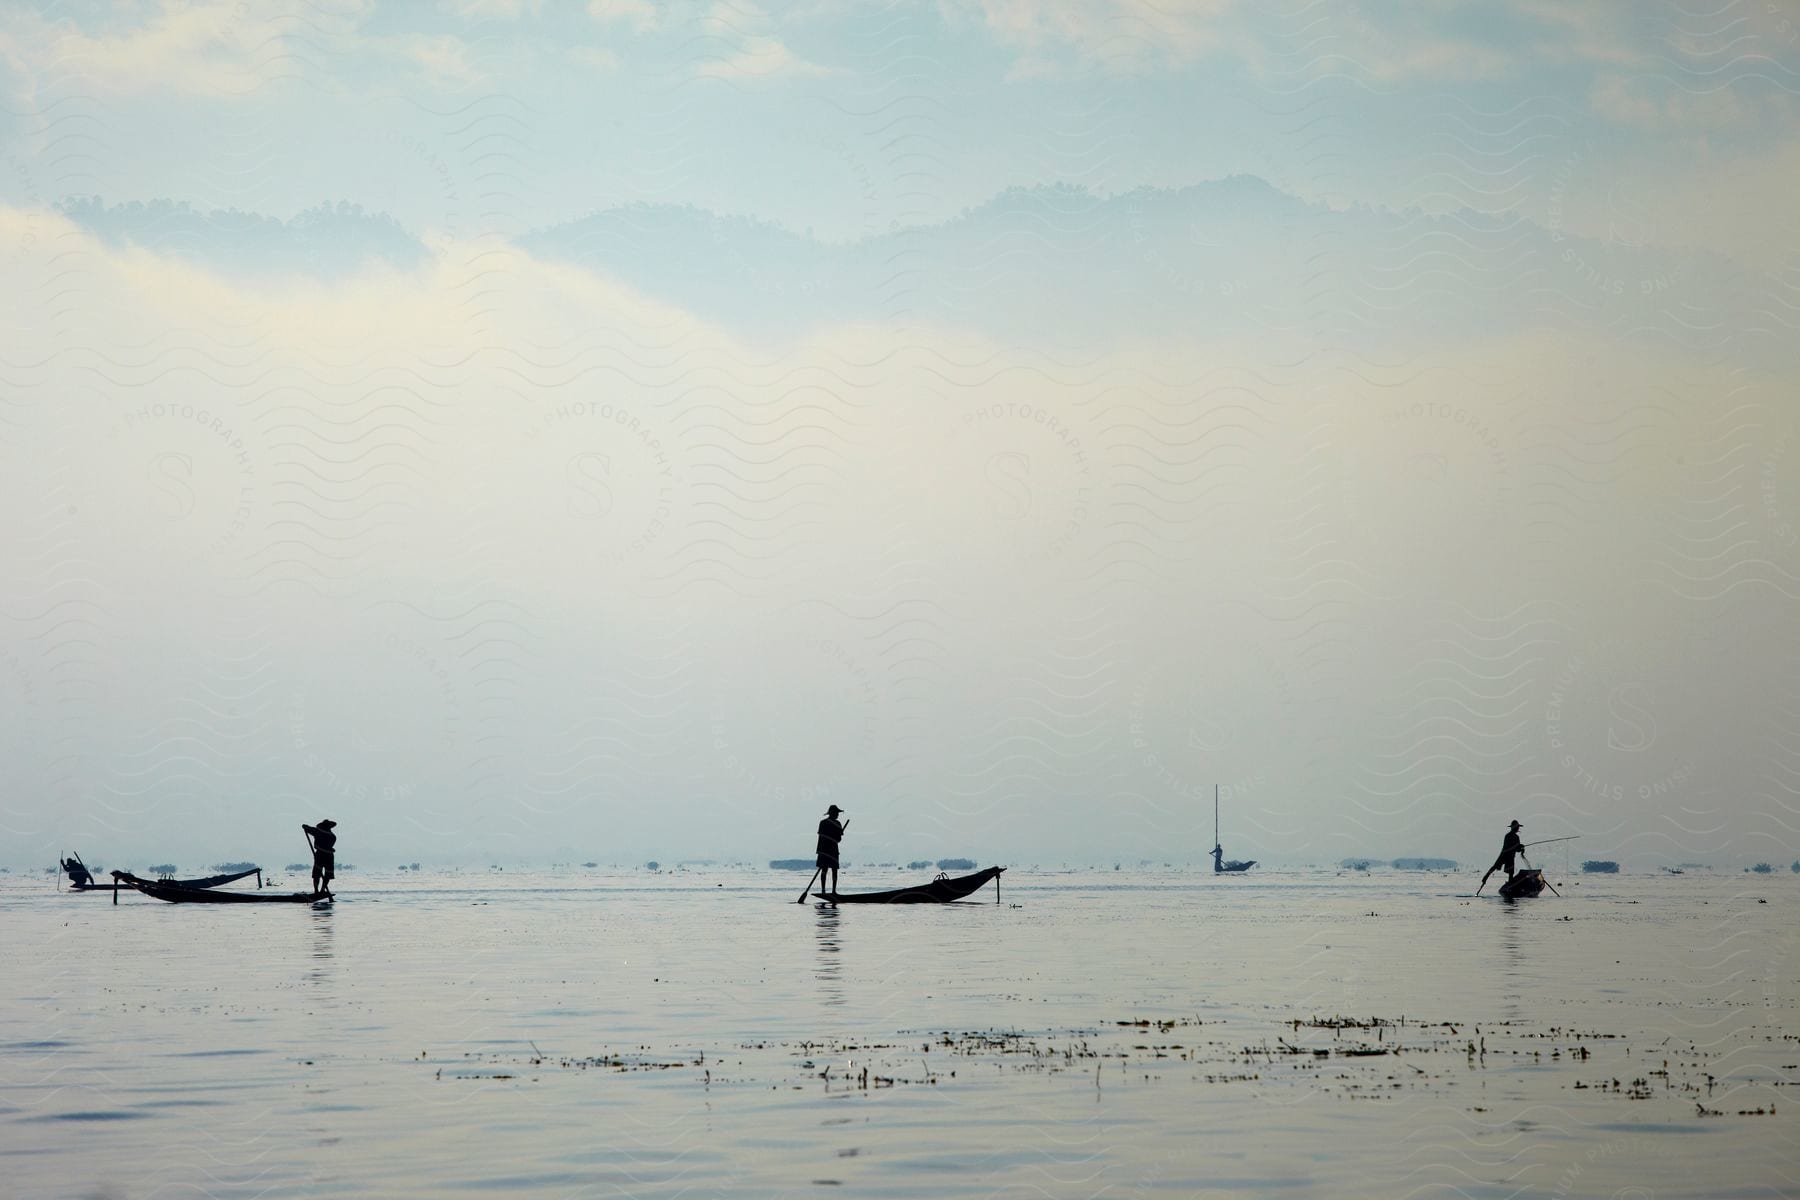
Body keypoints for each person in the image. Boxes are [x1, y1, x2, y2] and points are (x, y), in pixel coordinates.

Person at [1479, 820, 1525, 891]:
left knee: (1508, 871)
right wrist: (1518, 847)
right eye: (1517, 827)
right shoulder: (1510, 836)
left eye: (1518, 827)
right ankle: (1485, 878)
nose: (1518, 828)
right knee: (1506, 871)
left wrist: (1521, 847)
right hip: (1506, 855)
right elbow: (1511, 847)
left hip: (1508, 855)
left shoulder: (1514, 837)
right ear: (1514, 828)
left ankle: (1509, 884)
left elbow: (1517, 849)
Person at [815, 804, 846, 895]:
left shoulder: (832, 823)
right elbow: (824, 837)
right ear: (832, 813)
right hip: (827, 850)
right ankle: (827, 891)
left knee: (832, 870)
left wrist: (838, 835)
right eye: (836, 813)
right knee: (828, 870)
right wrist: (837, 835)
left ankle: (830, 891)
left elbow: (838, 839)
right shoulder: (826, 823)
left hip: (828, 850)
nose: (838, 815)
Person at [303, 819, 337, 896]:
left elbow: (308, 828)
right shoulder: (333, 836)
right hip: (329, 855)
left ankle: (317, 891)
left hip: (321, 854)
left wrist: (305, 827)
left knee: (317, 873)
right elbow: (309, 828)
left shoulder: (318, 832)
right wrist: (306, 827)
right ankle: (322, 890)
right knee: (327, 874)